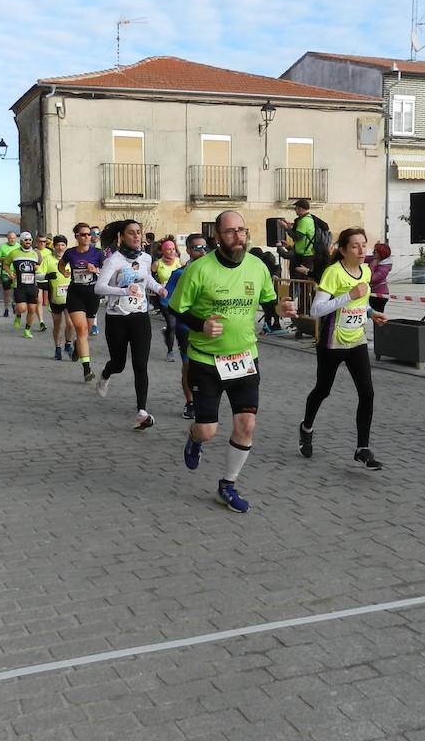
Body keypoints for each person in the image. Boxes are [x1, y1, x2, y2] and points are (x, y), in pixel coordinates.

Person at [167, 210, 298, 513]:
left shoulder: (257, 266)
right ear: (217, 236)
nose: (238, 236)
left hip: (244, 358)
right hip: (206, 361)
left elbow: (268, 301)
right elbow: (176, 309)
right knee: (208, 430)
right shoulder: (199, 269)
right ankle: (194, 438)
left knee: (247, 424)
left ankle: (227, 485)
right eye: (230, 231)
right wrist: (200, 326)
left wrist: (281, 307)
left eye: (242, 230)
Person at [298, 228, 389, 470]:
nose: (362, 251)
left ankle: (362, 449)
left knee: (367, 393)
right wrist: (348, 295)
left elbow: (362, 301)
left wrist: (371, 312)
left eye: (364, 245)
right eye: (355, 246)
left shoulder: (366, 271)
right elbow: (316, 310)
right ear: (343, 250)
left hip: (357, 341)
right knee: (323, 390)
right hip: (332, 343)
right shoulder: (333, 273)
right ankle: (306, 426)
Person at [94, 220, 166, 430]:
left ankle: (141, 411)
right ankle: (105, 375)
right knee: (118, 363)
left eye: (138, 233)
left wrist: (159, 288)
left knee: (140, 365)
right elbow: (99, 288)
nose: (136, 236)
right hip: (117, 318)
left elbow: (147, 279)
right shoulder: (114, 260)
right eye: (131, 233)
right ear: (122, 237)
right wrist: (124, 291)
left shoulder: (146, 258)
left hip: (140, 317)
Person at [164, 233, 207, 419]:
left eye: (205, 247)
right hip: (187, 328)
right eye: (197, 248)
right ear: (188, 250)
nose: (202, 251)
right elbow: (168, 303)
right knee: (188, 366)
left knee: (207, 368)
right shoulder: (179, 274)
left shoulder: (214, 272)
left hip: (211, 329)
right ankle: (190, 402)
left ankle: (206, 399)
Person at [60, 223, 104, 381]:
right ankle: (87, 369)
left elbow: (107, 272)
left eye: (89, 234)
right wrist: (63, 271)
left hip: (92, 294)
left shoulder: (98, 253)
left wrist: (96, 270)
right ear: (77, 236)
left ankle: (78, 348)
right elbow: (61, 264)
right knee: (81, 328)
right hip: (75, 294)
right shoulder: (70, 253)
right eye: (83, 234)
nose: (87, 237)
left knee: (85, 331)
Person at [43, 235, 75, 360]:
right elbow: (38, 275)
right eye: (58, 245)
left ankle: (68, 344)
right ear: (54, 246)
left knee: (71, 323)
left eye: (63, 245)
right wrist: (47, 276)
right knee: (58, 325)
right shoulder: (48, 259)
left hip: (70, 296)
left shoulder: (71, 259)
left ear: (66, 246)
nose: (60, 247)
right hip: (55, 297)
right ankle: (57, 347)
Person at [152, 238, 183, 361]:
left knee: (177, 326)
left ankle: (169, 334)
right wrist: (157, 287)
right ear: (163, 251)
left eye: (173, 249)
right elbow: (149, 278)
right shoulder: (157, 264)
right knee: (171, 324)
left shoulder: (179, 262)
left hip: (179, 298)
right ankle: (170, 351)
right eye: (169, 249)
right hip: (165, 299)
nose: (171, 251)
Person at [9, 232, 43, 338]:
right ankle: (18, 315)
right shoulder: (14, 253)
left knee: (32, 309)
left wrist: (37, 268)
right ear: (21, 241)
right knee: (22, 308)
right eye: (25, 240)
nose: (28, 242)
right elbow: (5, 263)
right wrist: (9, 272)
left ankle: (27, 330)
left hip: (32, 285)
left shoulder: (36, 253)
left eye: (29, 240)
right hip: (19, 285)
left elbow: (39, 265)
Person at [281, 199, 317, 283]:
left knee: (303, 281)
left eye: (296, 208)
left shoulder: (304, 221)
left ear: (300, 209)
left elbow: (297, 237)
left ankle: (306, 296)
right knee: (300, 281)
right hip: (303, 254)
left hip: (305, 256)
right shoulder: (306, 219)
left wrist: (286, 228)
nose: (295, 211)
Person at [0, 231, 20, 317]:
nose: (12, 240)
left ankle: (14, 302)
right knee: (7, 292)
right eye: (10, 238)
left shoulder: (19, 246)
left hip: (17, 272)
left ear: (15, 238)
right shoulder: (3, 247)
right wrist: (6, 258)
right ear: (7, 238)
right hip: (6, 272)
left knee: (16, 291)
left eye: (13, 238)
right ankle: (6, 309)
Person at [366, 241, 391, 315]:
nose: (373, 253)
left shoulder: (384, 268)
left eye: (375, 252)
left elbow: (371, 278)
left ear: (381, 254)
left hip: (380, 295)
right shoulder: (375, 259)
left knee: (377, 316)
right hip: (372, 292)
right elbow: (363, 258)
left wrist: (372, 265)